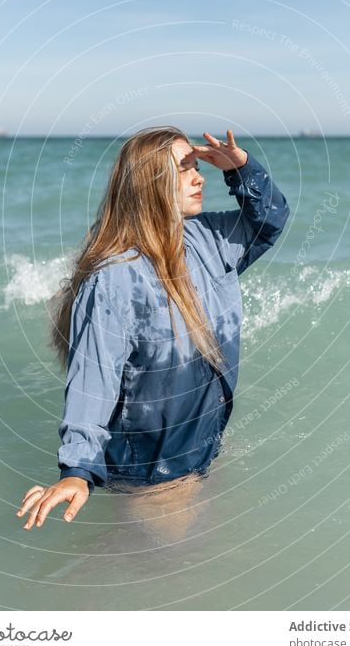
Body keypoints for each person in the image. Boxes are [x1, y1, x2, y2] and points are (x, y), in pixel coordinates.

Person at [16, 126, 290, 532]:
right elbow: (94, 380)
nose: (199, 178)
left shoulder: (209, 239)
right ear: (151, 183)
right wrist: (78, 469)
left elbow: (269, 219)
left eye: (197, 167)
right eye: (185, 169)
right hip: (156, 469)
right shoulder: (115, 277)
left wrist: (242, 169)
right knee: (163, 571)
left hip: (199, 446)